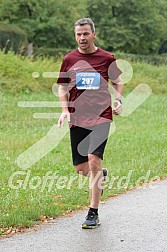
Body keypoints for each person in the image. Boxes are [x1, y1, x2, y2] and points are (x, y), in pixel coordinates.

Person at [57, 17, 123, 229]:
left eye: (86, 33)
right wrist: (65, 110)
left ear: (94, 34)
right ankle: (101, 176)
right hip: (77, 118)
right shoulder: (69, 59)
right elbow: (62, 87)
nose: (82, 37)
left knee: (94, 159)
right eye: (78, 34)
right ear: (75, 36)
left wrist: (118, 99)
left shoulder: (106, 58)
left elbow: (118, 81)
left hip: (101, 117)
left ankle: (93, 212)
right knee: (81, 168)